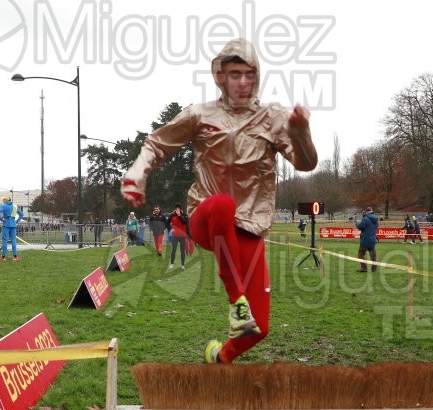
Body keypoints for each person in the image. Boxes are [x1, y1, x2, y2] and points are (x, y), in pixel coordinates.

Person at [120, 37, 317, 364]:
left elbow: (307, 163)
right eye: (235, 74)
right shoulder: (201, 115)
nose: (243, 82)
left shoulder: (272, 117)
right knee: (224, 203)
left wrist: (301, 133)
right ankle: (236, 302)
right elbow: (157, 143)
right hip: (207, 217)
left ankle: (219, 358)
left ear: (258, 76)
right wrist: (137, 172)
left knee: (260, 329)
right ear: (220, 77)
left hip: (249, 228)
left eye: (249, 74)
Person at [0, 195, 22, 261]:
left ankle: (3, 257)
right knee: (13, 241)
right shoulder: (15, 206)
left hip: (6, 224)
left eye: (3, 200)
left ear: (6, 200)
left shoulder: (4, 206)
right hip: (13, 224)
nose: (3, 201)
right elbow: (21, 214)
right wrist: (17, 221)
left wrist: (1, 219)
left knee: (5, 240)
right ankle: (15, 257)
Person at [167, 204, 190, 270]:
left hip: (182, 236)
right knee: (173, 250)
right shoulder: (172, 215)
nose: (177, 210)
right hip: (175, 236)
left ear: (180, 209)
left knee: (182, 251)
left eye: (178, 208)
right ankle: (172, 264)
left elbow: (185, 222)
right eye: (176, 208)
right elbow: (167, 223)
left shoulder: (184, 215)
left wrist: (180, 216)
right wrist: (170, 229)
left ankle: (182, 265)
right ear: (174, 209)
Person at [356, 207, 379, 272]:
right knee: (373, 256)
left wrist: (357, 223)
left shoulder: (366, 219)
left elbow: (360, 226)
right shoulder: (375, 219)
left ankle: (364, 268)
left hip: (365, 240)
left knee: (361, 254)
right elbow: (376, 226)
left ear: (366, 211)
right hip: (372, 239)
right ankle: (374, 269)